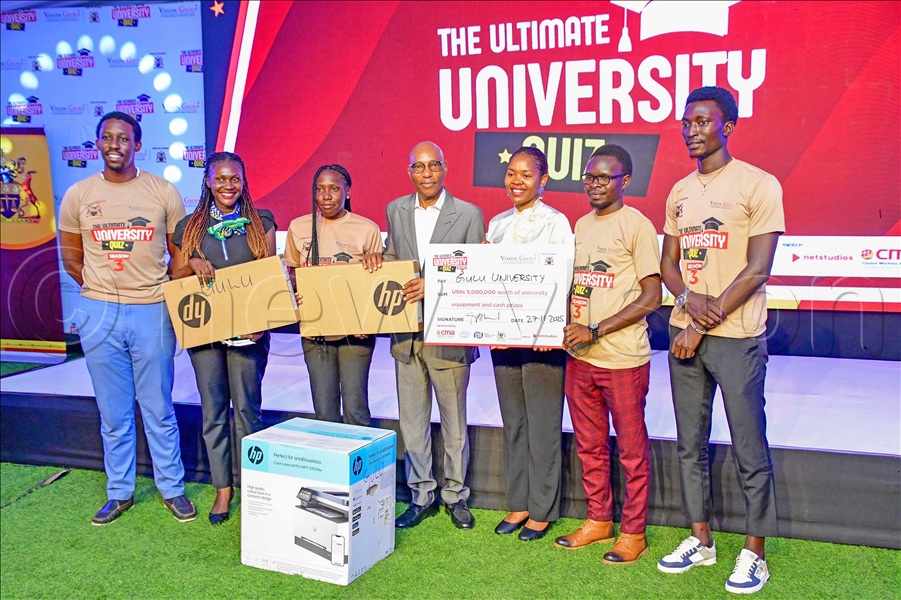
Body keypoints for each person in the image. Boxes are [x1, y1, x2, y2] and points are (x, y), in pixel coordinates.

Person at [657, 86, 783, 595]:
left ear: (727, 126)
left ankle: (755, 552)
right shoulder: (679, 191)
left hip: (734, 335)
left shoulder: (758, 184)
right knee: (690, 445)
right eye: (687, 122)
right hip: (686, 332)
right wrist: (687, 296)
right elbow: (667, 263)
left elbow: (758, 269)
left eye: (703, 121)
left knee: (749, 444)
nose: (691, 130)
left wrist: (699, 322)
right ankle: (701, 540)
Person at [58, 111, 195, 525]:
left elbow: (180, 252)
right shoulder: (79, 194)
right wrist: (104, 293)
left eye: (123, 137)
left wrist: (153, 291)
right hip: (99, 313)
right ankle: (119, 491)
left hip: (152, 310)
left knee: (158, 407)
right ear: (98, 144)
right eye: (107, 137)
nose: (114, 144)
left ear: (137, 143)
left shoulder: (162, 191)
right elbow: (70, 257)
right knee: (114, 412)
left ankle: (172, 488)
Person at [362, 141, 485, 530]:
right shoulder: (395, 209)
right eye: (419, 167)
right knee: (412, 423)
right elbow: (395, 257)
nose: (426, 173)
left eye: (433, 166)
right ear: (409, 171)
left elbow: (477, 272)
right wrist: (377, 259)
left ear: (445, 168)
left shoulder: (468, 214)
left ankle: (456, 495)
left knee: (454, 424)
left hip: (449, 334)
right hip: (406, 335)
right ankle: (421, 495)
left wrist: (434, 285)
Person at [555, 145, 661, 564]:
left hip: (622, 358)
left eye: (604, 178)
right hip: (580, 356)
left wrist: (597, 328)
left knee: (632, 450)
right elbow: (574, 284)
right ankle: (599, 520)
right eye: (590, 177)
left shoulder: (637, 226)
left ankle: (634, 532)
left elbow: (652, 295)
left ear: (625, 182)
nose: (595, 184)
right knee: (590, 445)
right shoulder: (579, 225)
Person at [170, 151, 276, 525]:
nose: (228, 185)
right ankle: (222, 491)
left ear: (244, 181)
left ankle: (254, 487)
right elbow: (176, 278)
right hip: (207, 335)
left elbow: (269, 279)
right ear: (208, 182)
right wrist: (192, 263)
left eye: (235, 179)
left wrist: (262, 321)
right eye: (220, 179)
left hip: (249, 333)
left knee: (248, 411)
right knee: (214, 412)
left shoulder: (261, 222)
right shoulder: (189, 227)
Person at [486, 147, 572, 541]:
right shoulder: (496, 224)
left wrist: (546, 328)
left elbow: (561, 281)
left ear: (543, 181)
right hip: (504, 340)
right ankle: (518, 503)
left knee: (542, 425)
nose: (516, 181)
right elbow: (486, 281)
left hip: (542, 342)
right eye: (510, 173)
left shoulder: (557, 223)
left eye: (525, 174)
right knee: (514, 423)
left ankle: (542, 509)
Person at [283, 164, 382, 426]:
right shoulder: (298, 227)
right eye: (320, 189)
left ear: (347, 191)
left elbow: (375, 284)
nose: (326, 195)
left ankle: (359, 466)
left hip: (355, 333)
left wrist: (368, 320)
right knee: (324, 412)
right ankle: (331, 464)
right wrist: (295, 294)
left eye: (334, 188)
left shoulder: (367, 229)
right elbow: (291, 274)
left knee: (355, 408)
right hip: (316, 332)